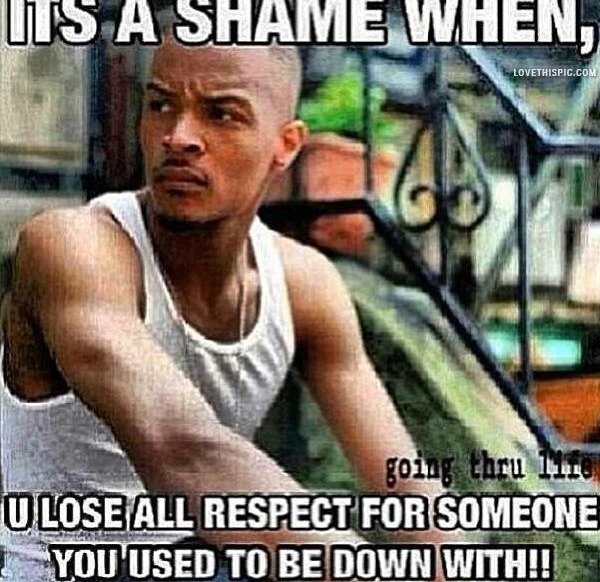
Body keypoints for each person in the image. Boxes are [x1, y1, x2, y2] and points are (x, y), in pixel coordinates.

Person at [1, 37, 448, 581]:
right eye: (160, 104)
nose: (178, 136)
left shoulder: (304, 284)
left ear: (285, 145)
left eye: (221, 113)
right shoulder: (73, 248)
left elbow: (407, 488)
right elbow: (184, 450)